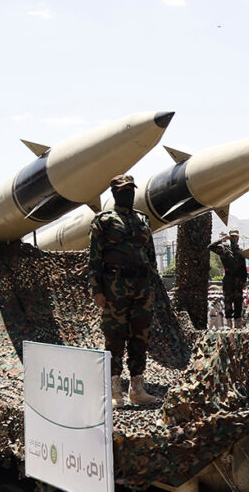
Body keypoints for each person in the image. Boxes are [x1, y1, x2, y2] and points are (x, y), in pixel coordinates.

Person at [89, 174, 159, 407]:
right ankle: (114, 390)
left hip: (141, 288)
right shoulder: (103, 220)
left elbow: (150, 256)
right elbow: (95, 259)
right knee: (115, 337)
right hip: (114, 289)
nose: (127, 194)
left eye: (130, 189)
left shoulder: (142, 219)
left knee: (140, 337)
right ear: (115, 193)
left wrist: (151, 287)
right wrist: (97, 290)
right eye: (123, 190)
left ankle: (137, 389)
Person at [209, 230, 249, 329]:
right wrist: (221, 240)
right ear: (229, 238)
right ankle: (229, 324)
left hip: (238, 281)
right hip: (228, 280)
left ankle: (238, 325)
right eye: (232, 237)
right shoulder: (223, 249)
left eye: (236, 237)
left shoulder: (241, 252)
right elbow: (210, 247)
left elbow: (243, 268)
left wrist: (244, 281)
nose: (234, 239)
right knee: (228, 302)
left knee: (238, 303)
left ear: (238, 238)